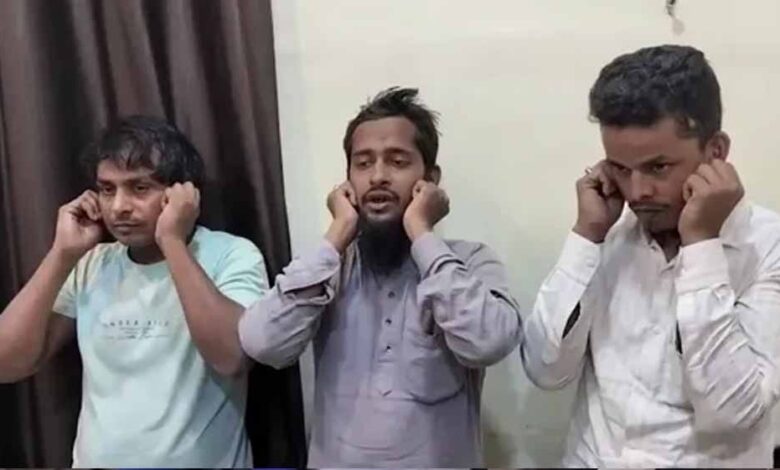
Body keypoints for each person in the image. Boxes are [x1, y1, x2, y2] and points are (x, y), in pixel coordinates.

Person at [522, 44, 780, 467]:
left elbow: (732, 414)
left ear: (715, 152)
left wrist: (701, 245)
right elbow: (546, 370)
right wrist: (586, 235)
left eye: (658, 167)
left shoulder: (768, 245)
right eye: (621, 168)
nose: (637, 192)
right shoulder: (606, 231)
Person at [239, 87, 522, 467]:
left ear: (430, 179)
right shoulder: (327, 267)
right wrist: (338, 231)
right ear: (347, 183)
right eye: (363, 163)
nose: (378, 177)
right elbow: (263, 344)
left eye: (397, 161)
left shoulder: (469, 262)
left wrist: (422, 233)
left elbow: (489, 342)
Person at [0, 115, 268, 467]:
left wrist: (172, 241)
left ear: (182, 194)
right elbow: (6, 363)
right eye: (107, 189)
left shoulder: (230, 254)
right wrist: (62, 254)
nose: (118, 207)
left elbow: (231, 357)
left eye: (139, 188)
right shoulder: (91, 263)